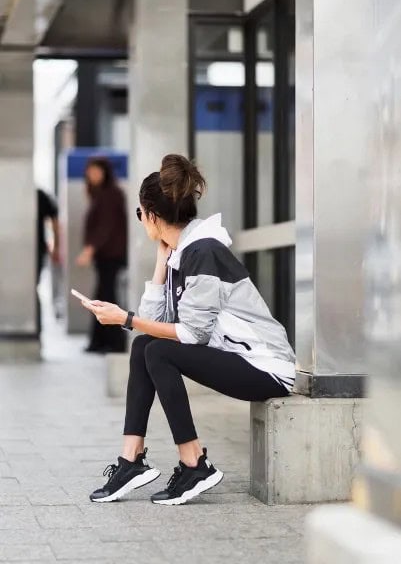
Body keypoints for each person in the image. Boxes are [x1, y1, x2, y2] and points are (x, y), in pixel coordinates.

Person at [82, 154, 296, 506]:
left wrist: (125, 318)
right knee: (146, 347)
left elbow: (192, 333)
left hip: (267, 368)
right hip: (238, 359)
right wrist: (160, 263)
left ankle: (195, 463)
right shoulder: (183, 254)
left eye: (140, 214)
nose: (141, 222)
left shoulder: (204, 252)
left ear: (151, 214)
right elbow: (157, 323)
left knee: (158, 350)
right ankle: (131, 459)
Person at [76, 156, 127, 353]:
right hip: (105, 255)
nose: (93, 175)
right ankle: (101, 341)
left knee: (106, 296)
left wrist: (89, 250)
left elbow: (105, 227)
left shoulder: (111, 194)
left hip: (110, 254)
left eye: (97, 171)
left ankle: (113, 342)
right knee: (102, 295)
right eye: (90, 172)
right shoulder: (102, 194)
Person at [36, 188, 60, 336]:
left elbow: (54, 219)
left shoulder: (39, 195)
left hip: (37, 250)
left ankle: (36, 329)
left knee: (34, 287)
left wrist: (56, 246)